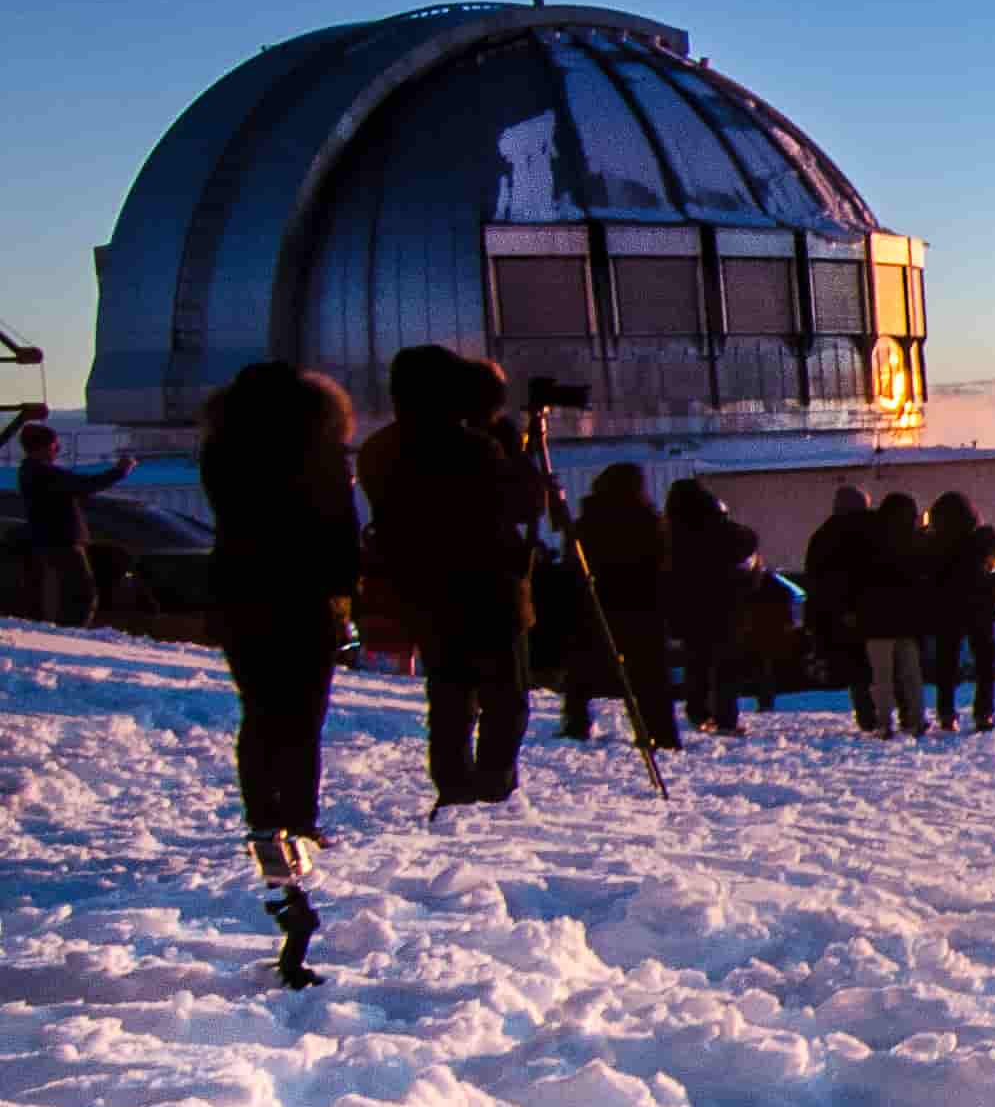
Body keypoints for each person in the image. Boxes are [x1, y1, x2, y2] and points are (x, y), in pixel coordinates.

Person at [198, 363, 359, 986]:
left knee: (260, 708)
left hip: (239, 591)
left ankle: (263, 815)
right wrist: (347, 590)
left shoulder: (222, 452)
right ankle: (299, 813)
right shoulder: (318, 455)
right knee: (303, 712)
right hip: (303, 595)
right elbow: (338, 531)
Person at [358, 346, 542, 809]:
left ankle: (454, 789)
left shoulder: (380, 447)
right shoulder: (474, 446)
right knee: (506, 696)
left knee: (449, 694)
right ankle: (494, 787)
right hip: (489, 587)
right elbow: (521, 505)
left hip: (424, 589)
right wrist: (512, 443)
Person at [558, 461, 676, 750]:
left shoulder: (589, 520)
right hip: (642, 607)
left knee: (582, 669)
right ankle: (660, 733)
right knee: (650, 677)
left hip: (598, 605)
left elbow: (573, 564)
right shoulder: (649, 520)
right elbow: (663, 564)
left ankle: (576, 721)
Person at [662, 478, 761, 736]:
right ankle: (726, 717)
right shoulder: (723, 529)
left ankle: (698, 712)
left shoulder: (672, 533)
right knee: (726, 664)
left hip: (690, 610)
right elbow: (748, 543)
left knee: (697, 662)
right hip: (725, 606)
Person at [17, 421, 136, 626]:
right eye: (54, 445)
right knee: (82, 594)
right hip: (61, 541)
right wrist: (119, 471)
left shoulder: (31, 471)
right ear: (43, 447)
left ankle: (69, 632)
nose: (58, 449)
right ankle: (73, 634)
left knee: (69, 593)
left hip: (53, 540)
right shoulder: (42, 473)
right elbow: (85, 484)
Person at [800, 485, 888, 729]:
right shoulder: (876, 531)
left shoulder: (824, 536)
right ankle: (887, 712)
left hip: (838, 613)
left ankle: (866, 714)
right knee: (880, 665)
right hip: (874, 608)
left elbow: (816, 579)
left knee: (856, 668)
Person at [921, 492, 995, 734]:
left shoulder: (934, 543)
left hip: (946, 609)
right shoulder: (982, 540)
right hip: (980, 608)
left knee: (946, 663)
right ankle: (984, 712)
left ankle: (947, 714)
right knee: (985, 663)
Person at [856, 490, 935, 739]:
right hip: (907, 619)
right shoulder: (916, 541)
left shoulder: (868, 540)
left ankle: (884, 722)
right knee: (911, 674)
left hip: (876, 619)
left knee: (882, 677)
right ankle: (915, 719)